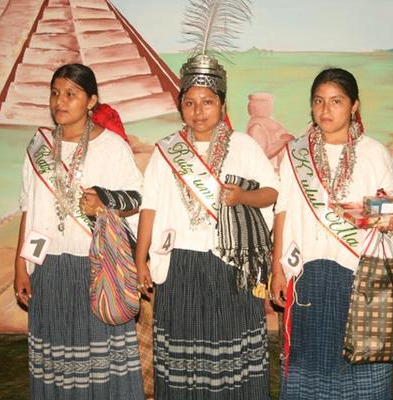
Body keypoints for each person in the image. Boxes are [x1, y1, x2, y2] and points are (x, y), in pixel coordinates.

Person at [135, 53, 278, 399]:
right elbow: (149, 206)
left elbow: (272, 193)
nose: (198, 111)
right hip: (179, 264)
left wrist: (243, 197)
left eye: (208, 102)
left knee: (230, 352)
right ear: (180, 105)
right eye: (190, 102)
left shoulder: (243, 146)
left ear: (222, 104)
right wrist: (140, 259)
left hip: (229, 266)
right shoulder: (166, 151)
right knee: (182, 357)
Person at [270, 68, 393, 399]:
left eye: (336, 101)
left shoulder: (374, 153)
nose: (325, 110)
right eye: (319, 101)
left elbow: (392, 207)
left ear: (354, 106)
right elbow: (283, 211)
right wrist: (277, 267)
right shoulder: (295, 154)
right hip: (308, 272)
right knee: (307, 361)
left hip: (360, 274)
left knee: (362, 365)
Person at [13, 63, 145, 400]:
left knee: (98, 357)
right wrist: (20, 267)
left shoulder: (112, 146)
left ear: (91, 101)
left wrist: (104, 202)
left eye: (71, 94)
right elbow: (28, 208)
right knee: (56, 356)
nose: (60, 101)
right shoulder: (39, 146)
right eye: (55, 93)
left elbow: (138, 198)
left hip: (96, 266)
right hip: (48, 267)